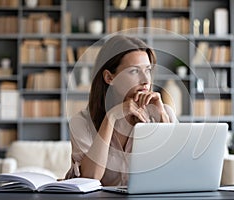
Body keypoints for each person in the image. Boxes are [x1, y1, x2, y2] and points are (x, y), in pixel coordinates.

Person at [65, 34, 178, 186]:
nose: (145, 80)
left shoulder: (165, 114)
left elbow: (176, 172)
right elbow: (90, 178)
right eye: (134, 71)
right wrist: (110, 118)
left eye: (148, 70)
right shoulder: (82, 122)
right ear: (109, 77)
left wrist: (162, 118)